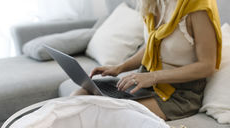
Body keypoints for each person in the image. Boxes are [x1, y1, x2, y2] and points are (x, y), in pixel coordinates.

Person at [71, 0, 222, 121]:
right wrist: (120, 68)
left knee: (112, 113)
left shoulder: (198, 6)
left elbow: (207, 66)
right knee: (83, 91)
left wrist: (153, 76)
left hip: (180, 93)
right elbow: (152, 47)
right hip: (147, 81)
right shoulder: (153, 2)